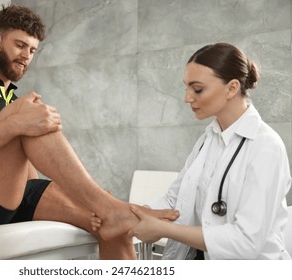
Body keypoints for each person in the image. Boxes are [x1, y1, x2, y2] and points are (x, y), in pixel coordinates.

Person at [0, 4, 178, 260]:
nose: (26, 55)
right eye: (20, 45)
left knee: (106, 224)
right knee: (32, 113)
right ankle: (113, 207)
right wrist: (17, 124)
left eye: (32, 50)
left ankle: (112, 210)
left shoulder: (11, 99)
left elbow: (24, 173)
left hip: (8, 196)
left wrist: (76, 199)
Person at [93, 43, 291, 259]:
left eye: (197, 89)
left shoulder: (266, 147)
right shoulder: (208, 139)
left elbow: (246, 242)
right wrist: (121, 213)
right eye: (186, 88)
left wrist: (163, 229)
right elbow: (174, 202)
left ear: (232, 88)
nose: (187, 98)